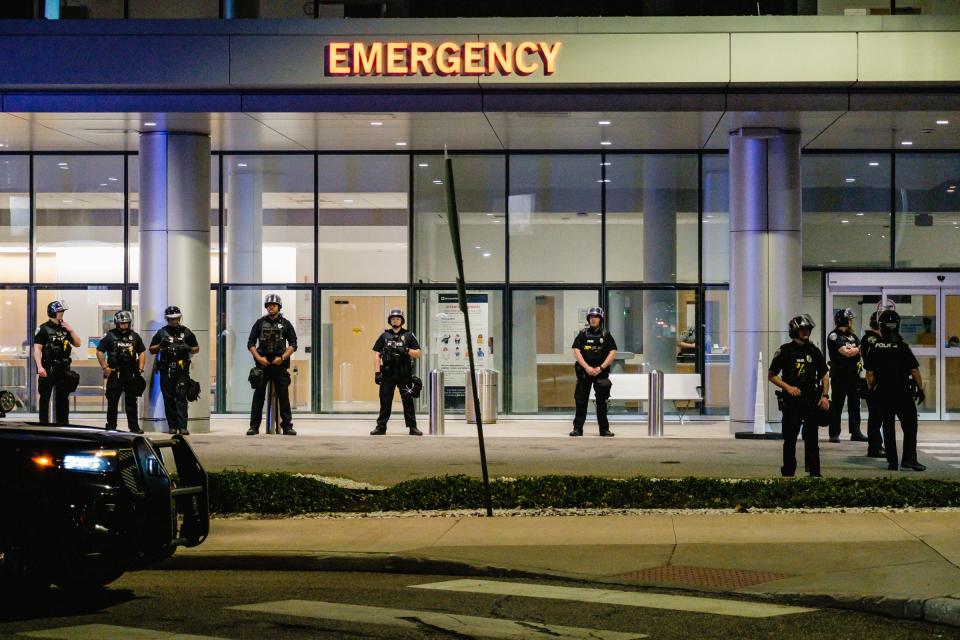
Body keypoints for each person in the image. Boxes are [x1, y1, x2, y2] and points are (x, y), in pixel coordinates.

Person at [768, 314, 830, 477]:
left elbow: (824, 374)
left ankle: (815, 472)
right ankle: (789, 471)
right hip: (792, 400)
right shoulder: (785, 351)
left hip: (811, 399)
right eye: (802, 329)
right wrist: (787, 387)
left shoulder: (814, 351)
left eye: (808, 329)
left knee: (812, 438)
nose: (806, 332)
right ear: (794, 331)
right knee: (790, 439)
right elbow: (772, 375)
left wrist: (825, 396)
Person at [865, 310, 926, 472]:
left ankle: (892, 461)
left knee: (888, 426)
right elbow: (914, 370)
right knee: (910, 425)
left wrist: (871, 390)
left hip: (883, 392)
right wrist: (920, 389)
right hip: (902, 392)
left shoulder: (876, 347)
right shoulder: (902, 347)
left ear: (882, 326)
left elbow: (869, 374)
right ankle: (909, 459)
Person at [246, 294, 297, 436]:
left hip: (279, 365)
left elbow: (293, 344)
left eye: (273, 305)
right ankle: (254, 426)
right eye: (268, 306)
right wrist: (259, 358)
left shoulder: (286, 324)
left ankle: (287, 426)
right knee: (258, 396)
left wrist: (283, 357)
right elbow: (250, 343)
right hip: (263, 365)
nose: (270, 308)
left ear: (279, 307)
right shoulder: (259, 323)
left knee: (283, 396)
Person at [149, 306, 200, 435]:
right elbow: (151, 349)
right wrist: (160, 345)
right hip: (166, 370)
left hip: (182, 370)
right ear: (167, 319)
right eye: (171, 319)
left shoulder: (186, 332)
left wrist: (187, 347)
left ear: (180, 318)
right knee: (168, 398)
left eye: (176, 318)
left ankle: (183, 427)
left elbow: (196, 348)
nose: (174, 321)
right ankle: (172, 426)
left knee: (181, 397)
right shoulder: (161, 332)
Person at [371, 308, 422, 436]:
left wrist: (406, 350)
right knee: (385, 401)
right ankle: (381, 427)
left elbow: (418, 353)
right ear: (390, 321)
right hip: (388, 373)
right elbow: (376, 354)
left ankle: (413, 427)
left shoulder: (409, 335)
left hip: (404, 373)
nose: (395, 321)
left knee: (408, 400)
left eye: (398, 319)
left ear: (402, 320)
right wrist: (377, 373)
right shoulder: (384, 336)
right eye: (393, 319)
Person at [570, 306, 618, 437]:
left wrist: (601, 367)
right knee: (581, 401)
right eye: (591, 317)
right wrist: (587, 367)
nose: (593, 319)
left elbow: (613, 352)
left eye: (596, 317)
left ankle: (604, 430)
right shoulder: (583, 334)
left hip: (600, 372)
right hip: (585, 372)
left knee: (602, 402)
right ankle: (577, 429)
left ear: (600, 319)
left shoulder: (606, 334)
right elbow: (576, 351)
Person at [97, 310, 146, 433]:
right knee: (113, 401)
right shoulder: (110, 336)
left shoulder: (135, 336)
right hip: (115, 373)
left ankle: (134, 427)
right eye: (122, 323)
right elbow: (99, 351)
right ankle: (111, 426)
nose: (124, 325)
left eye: (126, 323)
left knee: (131, 402)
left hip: (130, 373)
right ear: (117, 323)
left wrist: (140, 368)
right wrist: (104, 367)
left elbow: (142, 352)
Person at [33, 300, 81, 426]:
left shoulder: (65, 328)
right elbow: (37, 349)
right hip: (49, 368)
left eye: (62, 311)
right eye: (60, 311)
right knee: (45, 398)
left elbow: (78, 343)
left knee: (63, 399)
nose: (62, 314)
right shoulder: (43, 329)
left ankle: (63, 425)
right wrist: (39, 367)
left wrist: (71, 330)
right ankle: (43, 425)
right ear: (53, 313)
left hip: (64, 368)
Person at [827, 308, 866, 443]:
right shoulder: (834, 336)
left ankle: (856, 432)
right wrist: (855, 349)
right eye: (849, 319)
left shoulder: (853, 336)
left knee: (855, 405)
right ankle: (834, 433)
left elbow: (859, 349)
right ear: (843, 320)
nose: (851, 322)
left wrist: (853, 350)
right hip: (840, 376)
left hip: (854, 376)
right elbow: (846, 352)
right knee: (837, 405)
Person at [860, 311, 886, 458]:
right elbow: (870, 366)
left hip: (878, 382)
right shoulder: (871, 339)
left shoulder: (878, 338)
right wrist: (872, 385)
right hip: (874, 383)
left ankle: (877, 445)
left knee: (879, 417)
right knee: (876, 417)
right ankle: (874, 447)